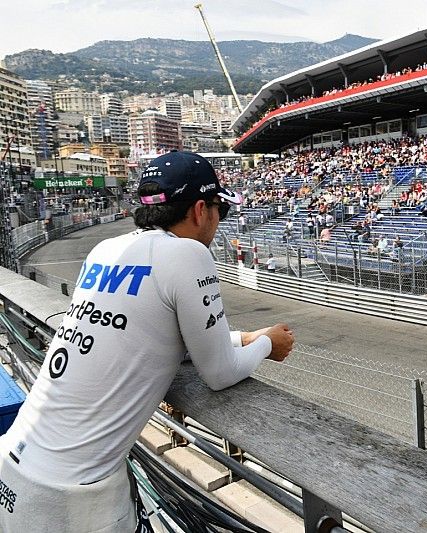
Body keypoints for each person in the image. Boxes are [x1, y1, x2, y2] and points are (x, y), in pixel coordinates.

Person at [0, 151, 295, 533]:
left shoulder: (105, 250)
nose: (220, 222)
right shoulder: (188, 252)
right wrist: (268, 343)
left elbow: (140, 332)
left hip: (15, 461)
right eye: (221, 210)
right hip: (74, 497)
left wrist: (240, 337)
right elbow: (220, 373)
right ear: (200, 209)